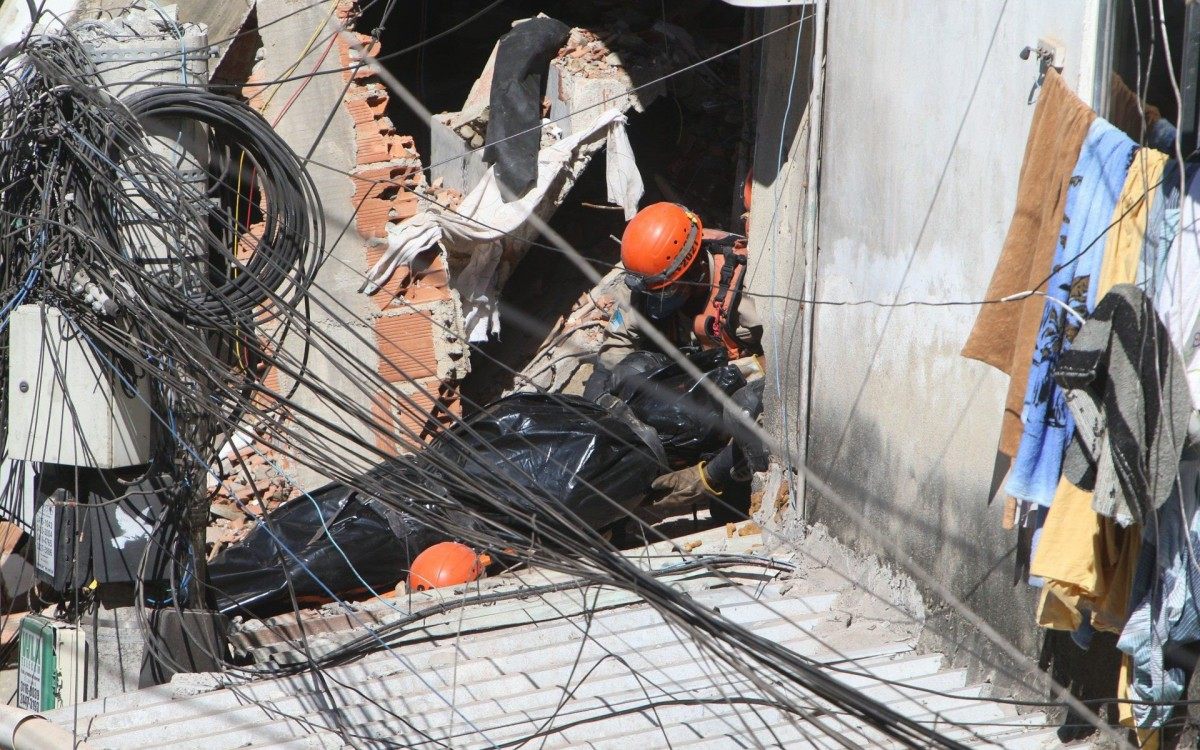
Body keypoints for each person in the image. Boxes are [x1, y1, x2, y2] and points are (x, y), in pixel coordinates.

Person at [615, 197, 768, 519]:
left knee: (742, 413)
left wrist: (707, 477)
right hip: (686, 394)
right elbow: (617, 344)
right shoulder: (651, 278)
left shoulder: (751, 289)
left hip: (740, 402)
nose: (659, 301)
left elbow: (783, 374)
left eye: (669, 292)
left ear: (696, 266)